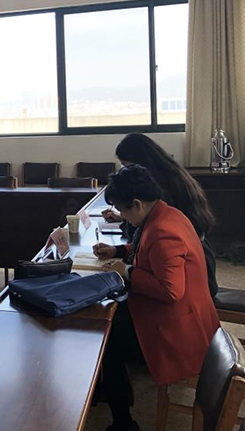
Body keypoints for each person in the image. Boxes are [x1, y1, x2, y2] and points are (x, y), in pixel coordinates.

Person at [93, 165, 220, 431]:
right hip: (182, 314)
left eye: (123, 210)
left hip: (179, 329)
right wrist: (118, 250)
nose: (122, 216)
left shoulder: (163, 231)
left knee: (107, 342)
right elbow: (149, 250)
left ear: (137, 204)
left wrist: (127, 271)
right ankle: (113, 394)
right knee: (109, 322)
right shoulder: (166, 214)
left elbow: (170, 290)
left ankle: (123, 423)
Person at [103, 132, 218, 297]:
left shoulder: (162, 208)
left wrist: (126, 269)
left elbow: (169, 288)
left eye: (126, 166)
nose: (127, 171)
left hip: (189, 275)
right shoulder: (169, 178)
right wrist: (119, 245)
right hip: (193, 258)